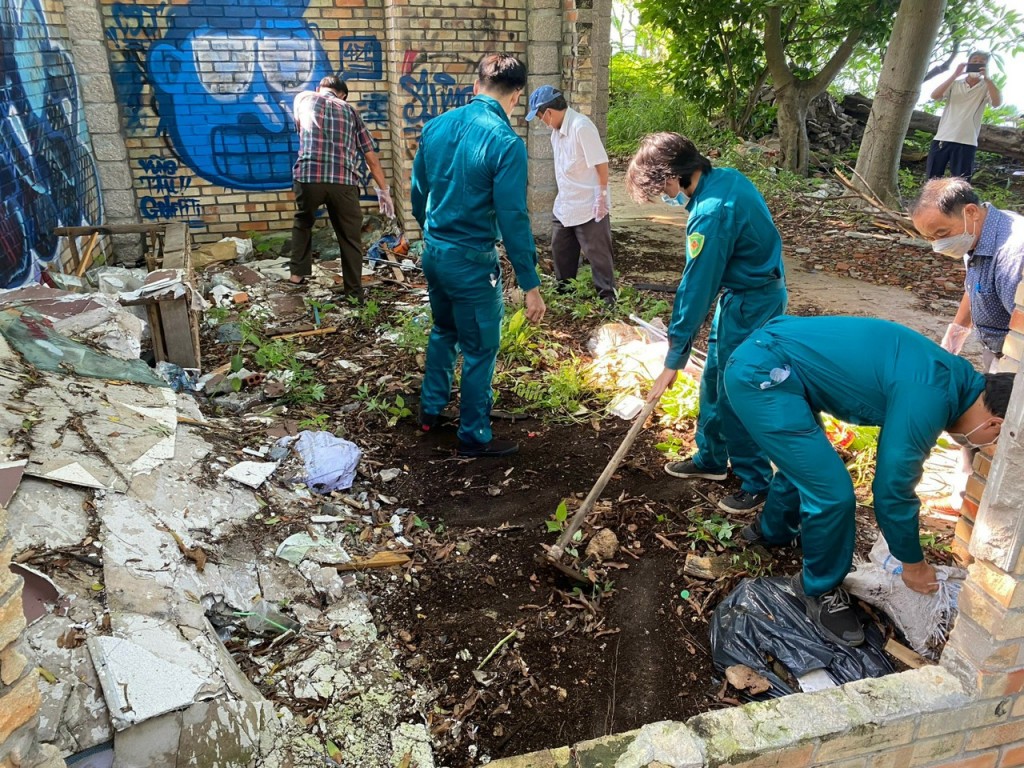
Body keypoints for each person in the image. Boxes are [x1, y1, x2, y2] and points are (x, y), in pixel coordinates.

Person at [723, 315, 1013, 647]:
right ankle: (818, 589)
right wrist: (913, 565)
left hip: (778, 358)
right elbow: (892, 488)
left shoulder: (952, 380)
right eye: (996, 442)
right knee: (833, 494)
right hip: (763, 372)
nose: (986, 448)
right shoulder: (931, 396)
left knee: (808, 465)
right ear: (995, 424)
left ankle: (772, 531)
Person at [626, 132, 787, 514]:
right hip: (741, 296)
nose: (665, 198)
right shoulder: (725, 178)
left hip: (752, 302)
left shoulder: (711, 214)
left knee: (736, 389)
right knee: (714, 378)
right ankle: (711, 459)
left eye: (661, 189)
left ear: (673, 176)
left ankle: (756, 482)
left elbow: (696, 288)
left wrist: (674, 357)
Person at [410, 53, 546, 458]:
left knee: (444, 330)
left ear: (476, 86)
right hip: (470, 261)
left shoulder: (434, 127)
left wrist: (433, 232)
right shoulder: (505, 143)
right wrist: (530, 282)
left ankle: (430, 411)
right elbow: (513, 217)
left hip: (434, 252)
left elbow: (419, 194)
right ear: (517, 96)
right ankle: (473, 433)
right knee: (481, 348)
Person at [909, 176, 1024, 511]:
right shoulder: (977, 236)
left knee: (994, 421)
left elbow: (1020, 322)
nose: (937, 245)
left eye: (941, 234)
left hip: (1013, 351)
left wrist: (1004, 376)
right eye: (929, 238)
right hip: (997, 344)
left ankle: (987, 504)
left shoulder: (1013, 252)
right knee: (977, 411)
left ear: (970, 211)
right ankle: (966, 491)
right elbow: (974, 288)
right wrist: (955, 334)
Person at [288, 75, 393, 298]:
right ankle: (354, 293)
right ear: (343, 94)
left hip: (309, 177)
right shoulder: (350, 111)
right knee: (349, 238)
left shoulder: (303, 98)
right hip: (343, 181)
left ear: (319, 88)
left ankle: (297, 274)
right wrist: (384, 192)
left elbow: (300, 128)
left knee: (303, 221)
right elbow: (370, 158)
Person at [525, 85, 616, 306]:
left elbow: (601, 162)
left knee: (598, 254)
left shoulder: (581, 127)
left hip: (589, 203)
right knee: (560, 249)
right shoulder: (556, 132)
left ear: (548, 112)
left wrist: (601, 195)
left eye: (539, 116)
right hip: (566, 203)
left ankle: (608, 299)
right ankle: (564, 293)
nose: (541, 122)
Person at [926, 51, 1003, 181]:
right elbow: (935, 95)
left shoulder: (986, 87)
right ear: (968, 63)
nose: (977, 63)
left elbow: (996, 103)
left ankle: (958, 203)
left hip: (967, 141)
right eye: (974, 60)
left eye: (981, 62)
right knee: (932, 180)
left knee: (961, 184)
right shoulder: (955, 84)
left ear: (986, 66)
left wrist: (987, 79)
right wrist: (955, 75)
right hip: (943, 138)